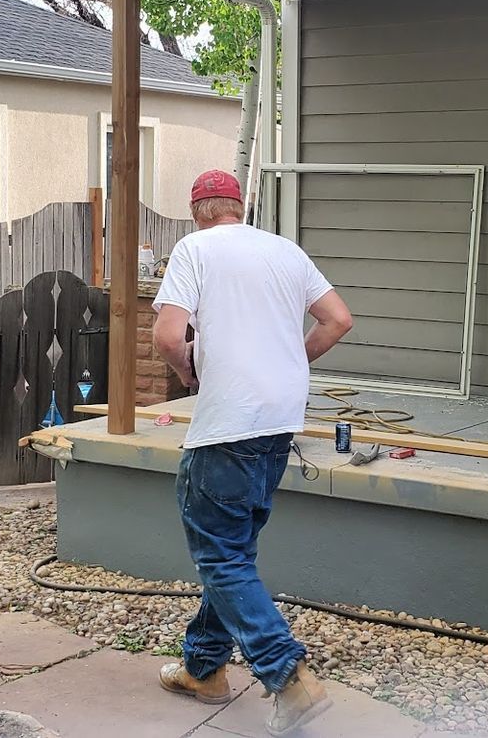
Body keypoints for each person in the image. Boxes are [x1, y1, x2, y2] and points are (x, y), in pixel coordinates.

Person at [150, 169, 354, 735]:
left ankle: (289, 677)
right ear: (238, 206)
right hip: (279, 422)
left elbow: (167, 336)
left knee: (220, 557)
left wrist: (188, 372)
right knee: (233, 551)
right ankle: (204, 669)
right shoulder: (285, 250)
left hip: (228, 425)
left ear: (197, 211)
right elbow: (338, 320)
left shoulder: (195, 249)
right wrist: (286, 363)